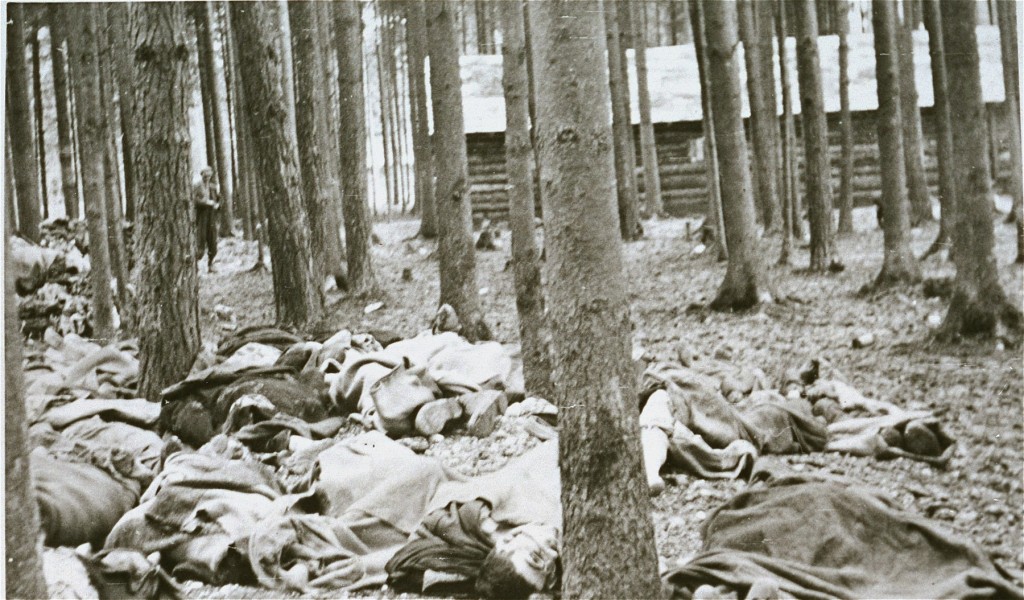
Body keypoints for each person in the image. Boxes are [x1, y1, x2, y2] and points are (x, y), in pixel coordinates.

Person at [193, 166, 220, 272]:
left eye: (209, 176)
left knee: (213, 241)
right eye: (205, 176)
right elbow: (194, 200)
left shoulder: (213, 187)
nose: (207, 178)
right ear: (202, 175)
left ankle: (211, 264)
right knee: (200, 241)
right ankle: (195, 266)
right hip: (201, 217)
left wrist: (217, 205)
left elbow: (218, 199)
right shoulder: (196, 186)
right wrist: (205, 202)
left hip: (211, 217)